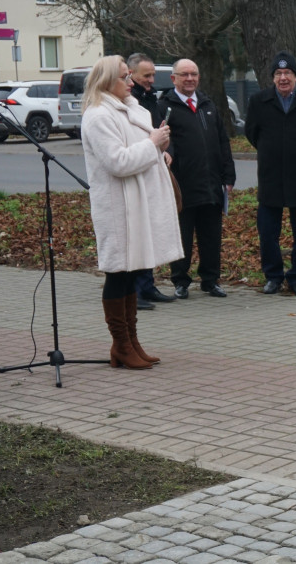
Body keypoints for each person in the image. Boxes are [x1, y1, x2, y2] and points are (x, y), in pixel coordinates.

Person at [80, 55, 183, 369]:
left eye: (129, 75)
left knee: (133, 272)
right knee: (118, 272)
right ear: (107, 81)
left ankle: (131, 342)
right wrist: (153, 144)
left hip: (137, 203)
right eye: (124, 76)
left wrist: (159, 149)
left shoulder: (132, 108)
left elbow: (141, 152)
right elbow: (118, 162)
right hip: (117, 207)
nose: (130, 81)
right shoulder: (98, 115)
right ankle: (121, 345)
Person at [246, 52, 296, 297]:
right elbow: (251, 133)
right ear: (272, 78)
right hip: (270, 177)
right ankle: (273, 276)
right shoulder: (258, 101)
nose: (283, 78)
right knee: (268, 232)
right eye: (278, 74)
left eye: (288, 73)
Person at [159, 59, 236, 299]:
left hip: (211, 184)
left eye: (194, 74)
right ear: (174, 79)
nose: (190, 79)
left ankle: (210, 280)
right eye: (184, 74)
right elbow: (163, 142)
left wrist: (228, 175)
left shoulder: (208, 104)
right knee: (182, 235)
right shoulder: (165, 107)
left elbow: (222, 141)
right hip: (182, 185)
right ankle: (180, 281)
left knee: (211, 236)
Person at [126, 52, 177, 309]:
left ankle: (147, 286)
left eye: (153, 74)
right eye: (147, 75)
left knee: (149, 231)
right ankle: (134, 291)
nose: (152, 80)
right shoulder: (129, 102)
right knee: (137, 234)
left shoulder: (150, 98)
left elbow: (161, 130)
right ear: (131, 74)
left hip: (154, 166)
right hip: (136, 171)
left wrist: (167, 150)